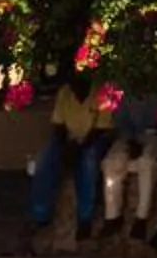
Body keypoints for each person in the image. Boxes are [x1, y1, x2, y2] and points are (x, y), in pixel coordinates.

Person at [25, 80, 108, 238]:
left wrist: (79, 146)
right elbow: (58, 125)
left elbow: (102, 129)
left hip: (95, 139)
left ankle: (85, 219)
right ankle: (40, 215)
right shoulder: (65, 92)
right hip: (69, 138)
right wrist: (66, 146)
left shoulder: (104, 91)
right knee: (43, 161)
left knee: (88, 163)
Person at [98, 91, 157, 239]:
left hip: (154, 137)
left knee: (147, 163)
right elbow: (121, 122)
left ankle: (141, 218)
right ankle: (112, 217)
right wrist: (130, 140)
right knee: (111, 162)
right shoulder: (124, 95)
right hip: (128, 137)